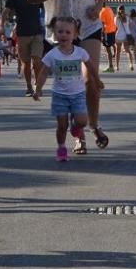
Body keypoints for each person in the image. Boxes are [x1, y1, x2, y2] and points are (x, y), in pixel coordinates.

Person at [26, 0, 110, 154]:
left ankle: (93, 124)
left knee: (90, 80)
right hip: (61, 32)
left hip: (88, 24)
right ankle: (78, 136)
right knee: (67, 85)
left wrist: (99, 5)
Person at [33, 16, 102, 162]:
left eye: (67, 32)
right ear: (55, 34)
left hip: (77, 94)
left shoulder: (80, 52)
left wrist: (97, 80)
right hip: (60, 96)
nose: (63, 35)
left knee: (82, 121)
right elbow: (44, 72)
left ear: (75, 35)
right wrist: (38, 88)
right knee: (62, 125)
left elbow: (90, 66)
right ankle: (61, 147)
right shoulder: (52, 54)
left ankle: (76, 128)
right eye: (60, 32)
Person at [2, 0, 45, 96]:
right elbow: (6, 12)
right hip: (22, 34)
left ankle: (37, 84)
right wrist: (1, 25)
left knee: (37, 59)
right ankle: (28, 87)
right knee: (26, 63)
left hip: (37, 32)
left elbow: (47, 10)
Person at [113, 5, 132, 71]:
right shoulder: (127, 17)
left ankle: (117, 66)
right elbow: (130, 25)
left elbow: (115, 26)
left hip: (119, 35)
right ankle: (131, 64)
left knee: (118, 52)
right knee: (127, 51)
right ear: (124, 9)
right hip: (127, 35)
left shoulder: (116, 18)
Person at [99, 3, 116, 72]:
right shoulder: (109, 9)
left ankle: (110, 66)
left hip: (107, 31)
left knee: (108, 50)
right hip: (112, 30)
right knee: (111, 46)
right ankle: (111, 65)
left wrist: (101, 34)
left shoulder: (102, 11)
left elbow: (102, 24)